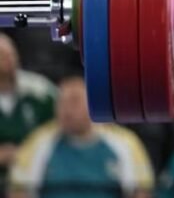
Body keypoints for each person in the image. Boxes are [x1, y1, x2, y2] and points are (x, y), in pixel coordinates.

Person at [8, 76, 153, 198]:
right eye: (62, 102)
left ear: (91, 104)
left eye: (74, 102)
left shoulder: (125, 143)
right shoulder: (37, 142)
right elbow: (18, 191)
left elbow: (141, 191)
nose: (67, 110)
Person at [0, 34, 55, 189]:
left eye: (11, 54)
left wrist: (30, 152)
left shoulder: (40, 90)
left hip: (36, 174)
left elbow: (61, 127)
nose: (9, 60)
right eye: (2, 56)